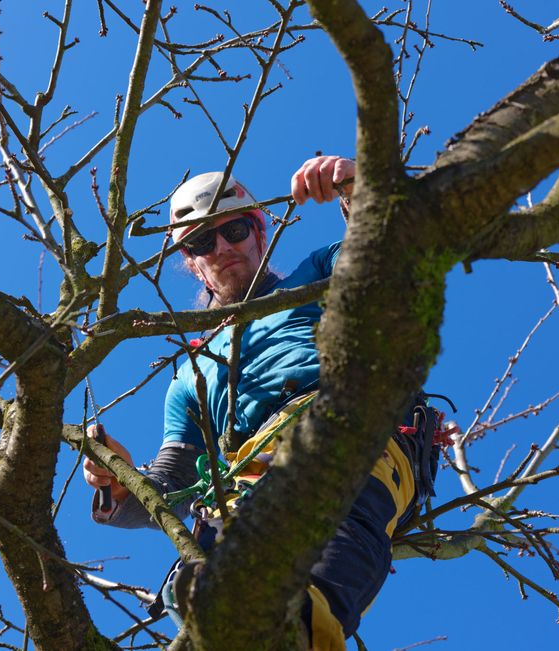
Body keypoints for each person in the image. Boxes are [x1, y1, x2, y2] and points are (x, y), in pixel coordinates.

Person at [83, 156, 433, 650]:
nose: (223, 248)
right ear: (190, 260)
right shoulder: (190, 377)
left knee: (329, 527)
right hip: (248, 476)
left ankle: (302, 631)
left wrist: (361, 191)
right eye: (203, 241)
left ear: (261, 232)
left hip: (347, 425)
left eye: (235, 230)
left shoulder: (316, 277)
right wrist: (120, 483)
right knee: (206, 589)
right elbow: (173, 483)